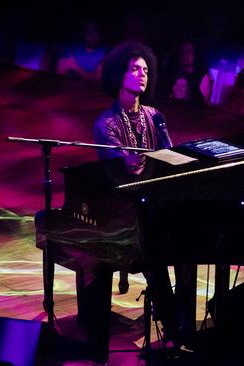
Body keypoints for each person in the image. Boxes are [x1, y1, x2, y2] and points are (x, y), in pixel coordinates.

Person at [94, 42, 191, 346]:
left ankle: (182, 317)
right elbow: (125, 169)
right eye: (135, 69)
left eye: (146, 70)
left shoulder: (155, 115)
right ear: (118, 74)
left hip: (156, 202)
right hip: (123, 209)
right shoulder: (105, 123)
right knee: (154, 247)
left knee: (190, 245)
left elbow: (169, 156)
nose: (142, 75)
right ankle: (172, 323)